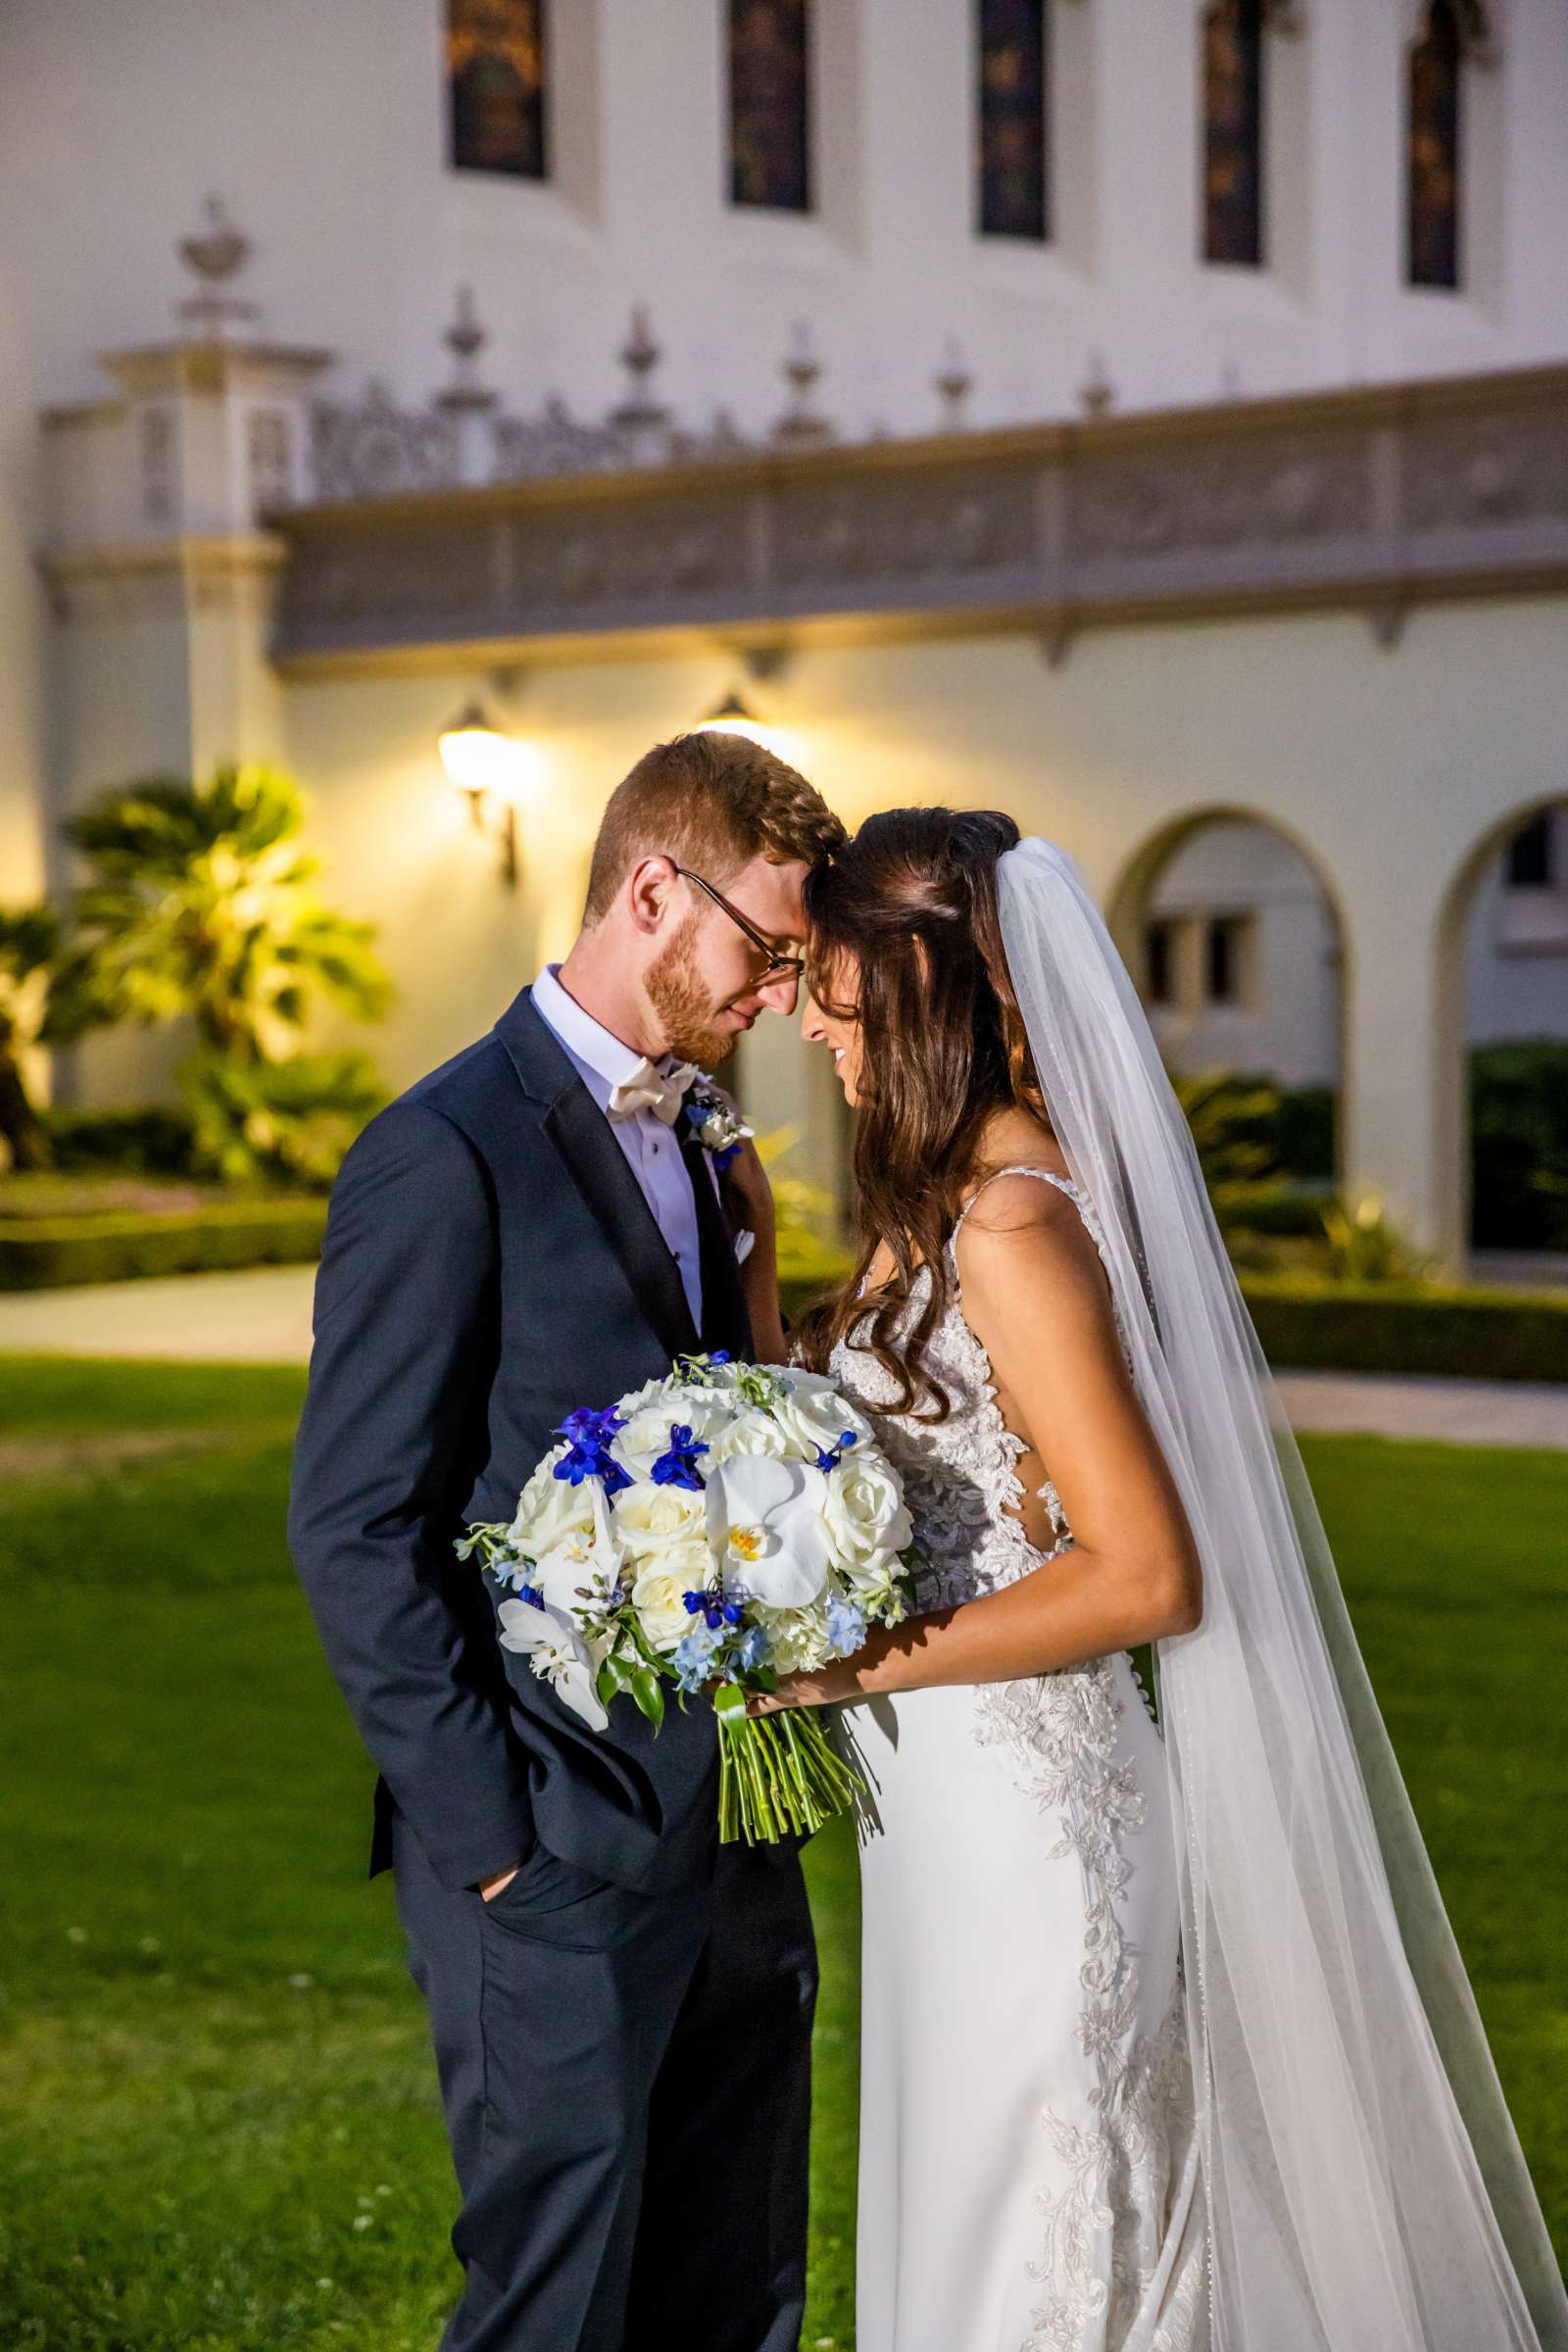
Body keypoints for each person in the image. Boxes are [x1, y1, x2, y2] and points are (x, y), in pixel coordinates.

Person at [751, 808, 1568, 2352]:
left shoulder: (1009, 1224)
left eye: (828, 976)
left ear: (913, 987)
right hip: (941, 1829)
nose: (804, 1013)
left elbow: (1144, 1573)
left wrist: (846, 1669)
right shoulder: (943, 1204)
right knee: (973, 2210)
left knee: (1048, 2244)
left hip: (1030, 1826)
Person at [287, 729, 845, 2352]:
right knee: (558, 2307)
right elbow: (356, 1526)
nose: (779, 992)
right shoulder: (441, 1152)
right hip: (551, 1844)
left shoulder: (712, 1141)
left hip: (736, 1829)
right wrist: (496, 1846)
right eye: (766, 946)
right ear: (653, 890)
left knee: (734, 2289)